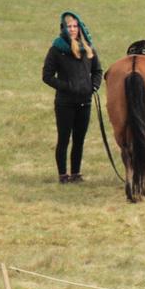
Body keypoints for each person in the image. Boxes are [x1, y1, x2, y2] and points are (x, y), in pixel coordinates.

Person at [42, 11, 102, 183]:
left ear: (80, 28)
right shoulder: (56, 49)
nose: (73, 29)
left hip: (85, 101)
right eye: (69, 26)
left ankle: (76, 173)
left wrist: (93, 86)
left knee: (79, 140)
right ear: (64, 28)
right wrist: (66, 87)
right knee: (64, 139)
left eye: (75, 26)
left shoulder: (88, 48)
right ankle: (63, 174)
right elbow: (47, 76)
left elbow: (97, 70)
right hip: (65, 103)